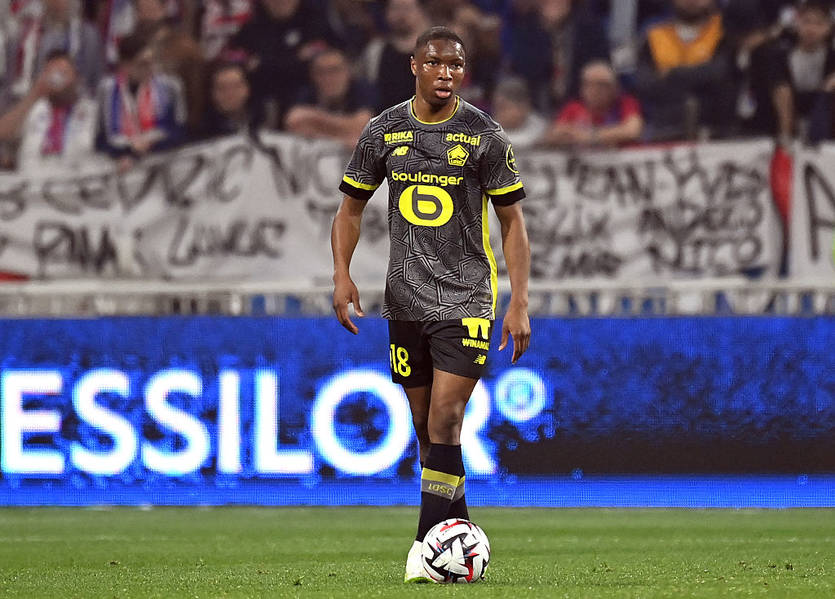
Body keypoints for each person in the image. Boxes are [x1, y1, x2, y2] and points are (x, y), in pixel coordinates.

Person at [331, 26, 531, 583]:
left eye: (456, 65)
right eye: (436, 62)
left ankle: (424, 546)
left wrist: (518, 301)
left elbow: (513, 223)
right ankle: (459, 533)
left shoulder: (484, 135)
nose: (447, 73)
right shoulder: (384, 131)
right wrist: (342, 274)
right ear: (414, 65)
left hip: (467, 298)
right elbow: (349, 210)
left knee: (447, 416)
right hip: (404, 300)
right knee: (426, 430)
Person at [634, 0, 736, 141]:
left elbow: (721, 72)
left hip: (717, 130)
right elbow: (645, 84)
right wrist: (701, 75)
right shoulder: (654, 35)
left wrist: (671, 74)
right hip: (666, 131)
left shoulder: (725, 30)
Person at [96, 32, 186, 171]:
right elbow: (100, 138)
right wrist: (125, 151)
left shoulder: (169, 86)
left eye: (153, 62)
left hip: (162, 164)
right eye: (143, 64)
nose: (151, 69)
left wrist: (150, 144)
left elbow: (179, 132)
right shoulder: (107, 90)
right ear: (126, 65)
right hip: (121, 166)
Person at [0, 49, 97, 172]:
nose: (57, 78)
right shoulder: (33, 108)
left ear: (76, 77)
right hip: (33, 180)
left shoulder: (90, 110)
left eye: (63, 72)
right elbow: (2, 133)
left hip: (74, 180)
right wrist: (34, 95)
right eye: (51, 72)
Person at [3, 0, 104, 102]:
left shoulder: (88, 36)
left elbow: (94, 84)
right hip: (30, 103)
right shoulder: (24, 34)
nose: (59, 2)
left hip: (74, 105)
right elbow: (9, 84)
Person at [284, 47, 375, 146]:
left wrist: (313, 118)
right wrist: (344, 134)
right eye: (321, 72)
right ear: (313, 75)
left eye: (335, 70)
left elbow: (362, 127)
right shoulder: (308, 91)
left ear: (348, 71)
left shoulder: (362, 89)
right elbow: (293, 121)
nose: (328, 78)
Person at [544, 60, 643, 148]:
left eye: (601, 85)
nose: (595, 91)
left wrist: (590, 136)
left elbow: (632, 131)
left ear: (614, 88)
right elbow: (554, 134)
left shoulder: (625, 103)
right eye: (589, 84)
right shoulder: (573, 108)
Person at [361, 0, 430, 113]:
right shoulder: (375, 52)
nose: (401, 15)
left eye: (407, 8)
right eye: (396, 8)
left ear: (421, 12)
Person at [199, 60, 262, 139]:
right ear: (212, 93)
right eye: (222, 88)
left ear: (247, 88)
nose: (230, 94)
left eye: (236, 86)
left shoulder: (266, 118)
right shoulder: (200, 131)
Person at [490, 76, 548, 149]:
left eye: (503, 108)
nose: (497, 114)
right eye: (495, 108)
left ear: (523, 107)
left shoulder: (542, 130)